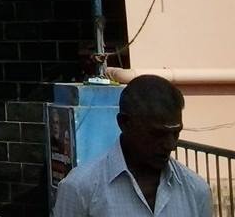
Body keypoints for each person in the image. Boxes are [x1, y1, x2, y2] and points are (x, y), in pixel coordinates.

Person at [52, 74, 211, 216]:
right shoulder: (80, 189)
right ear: (124, 123)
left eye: (175, 133)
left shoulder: (196, 190)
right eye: (157, 134)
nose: (170, 145)